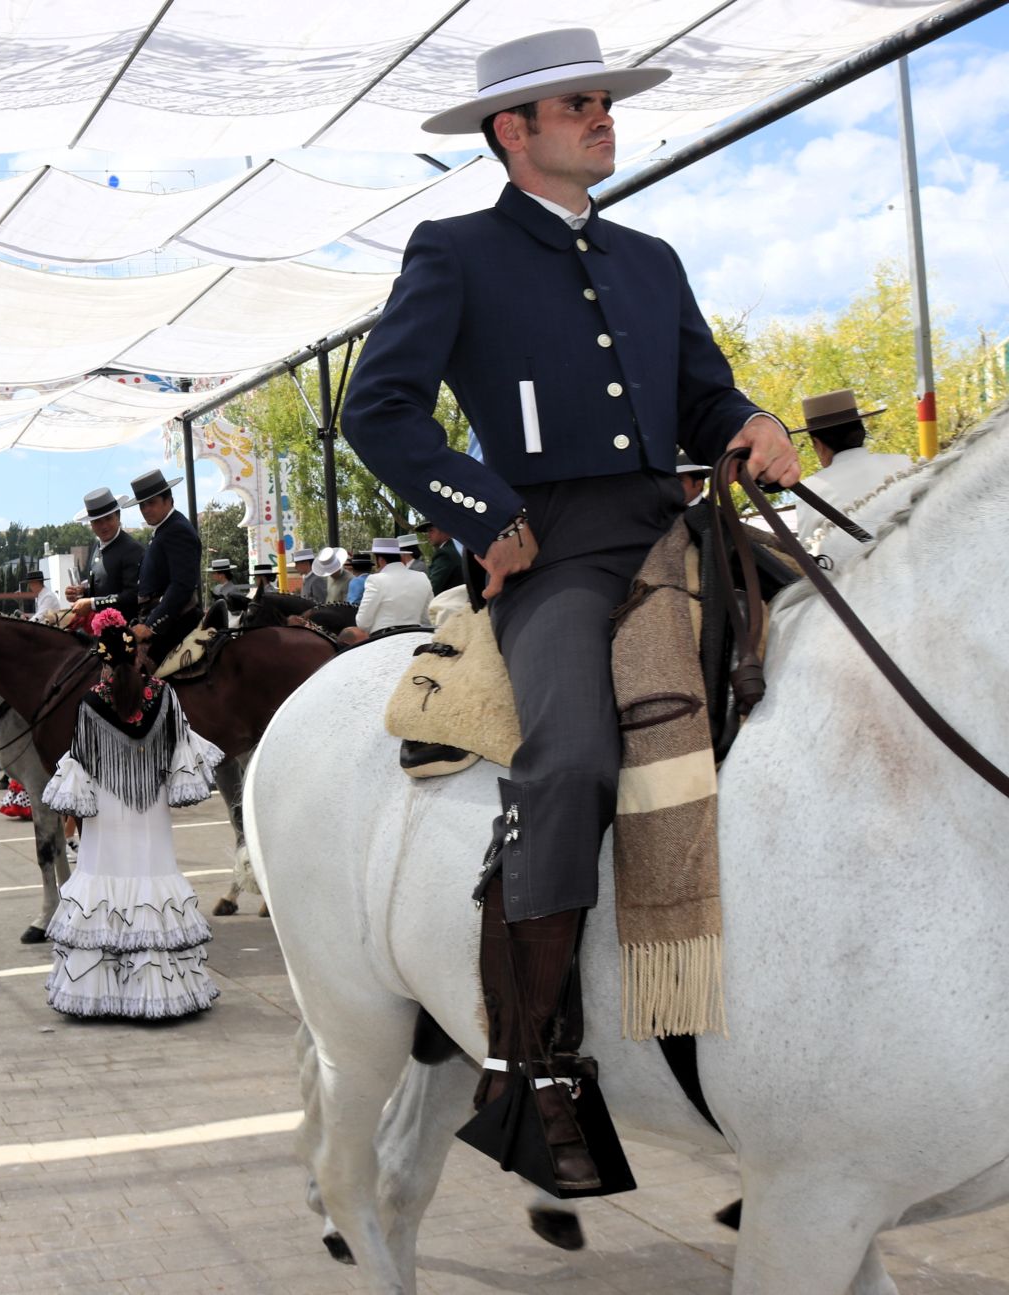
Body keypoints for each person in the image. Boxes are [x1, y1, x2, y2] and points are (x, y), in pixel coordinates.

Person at [340, 26, 799, 1193]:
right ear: (515, 132)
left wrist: (749, 422)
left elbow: (702, 392)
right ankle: (531, 1063)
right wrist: (482, 512)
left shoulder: (651, 256)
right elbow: (379, 410)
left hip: (680, 527)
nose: (604, 117)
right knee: (572, 760)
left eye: (603, 102)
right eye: (579, 105)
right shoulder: (453, 251)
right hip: (555, 551)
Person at [38, 609, 223, 1018]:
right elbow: (180, 749)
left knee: (102, 881)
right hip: (151, 806)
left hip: (106, 807)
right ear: (138, 656)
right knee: (151, 878)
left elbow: (81, 761)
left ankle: (99, 993)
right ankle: (160, 991)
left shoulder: (90, 702)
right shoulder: (166, 696)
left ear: (104, 659)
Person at [71, 469, 202, 667]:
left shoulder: (176, 529)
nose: (146, 509)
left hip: (174, 623)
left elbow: (182, 586)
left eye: (152, 503)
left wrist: (151, 625)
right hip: (156, 619)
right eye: (142, 505)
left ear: (168, 500)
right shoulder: (165, 528)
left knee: (133, 680)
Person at [790, 388, 913, 563]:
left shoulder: (810, 489)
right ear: (860, 430)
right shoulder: (903, 464)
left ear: (818, 444)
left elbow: (812, 558)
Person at [65, 486, 143, 613]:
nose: (104, 526)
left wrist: (92, 603)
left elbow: (132, 595)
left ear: (118, 517)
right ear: (91, 525)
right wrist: (82, 593)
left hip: (125, 628)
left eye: (108, 518)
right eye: (97, 521)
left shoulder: (131, 549)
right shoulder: (97, 546)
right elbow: (99, 588)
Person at [355, 537, 436, 634]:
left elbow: (362, 622)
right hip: (416, 636)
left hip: (383, 638)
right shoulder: (422, 577)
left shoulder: (375, 580)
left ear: (380, 560)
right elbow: (428, 618)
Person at [423, 521, 462, 596]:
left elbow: (432, 588)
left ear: (444, 530)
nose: (428, 535)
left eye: (431, 530)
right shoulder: (453, 549)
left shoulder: (444, 554)